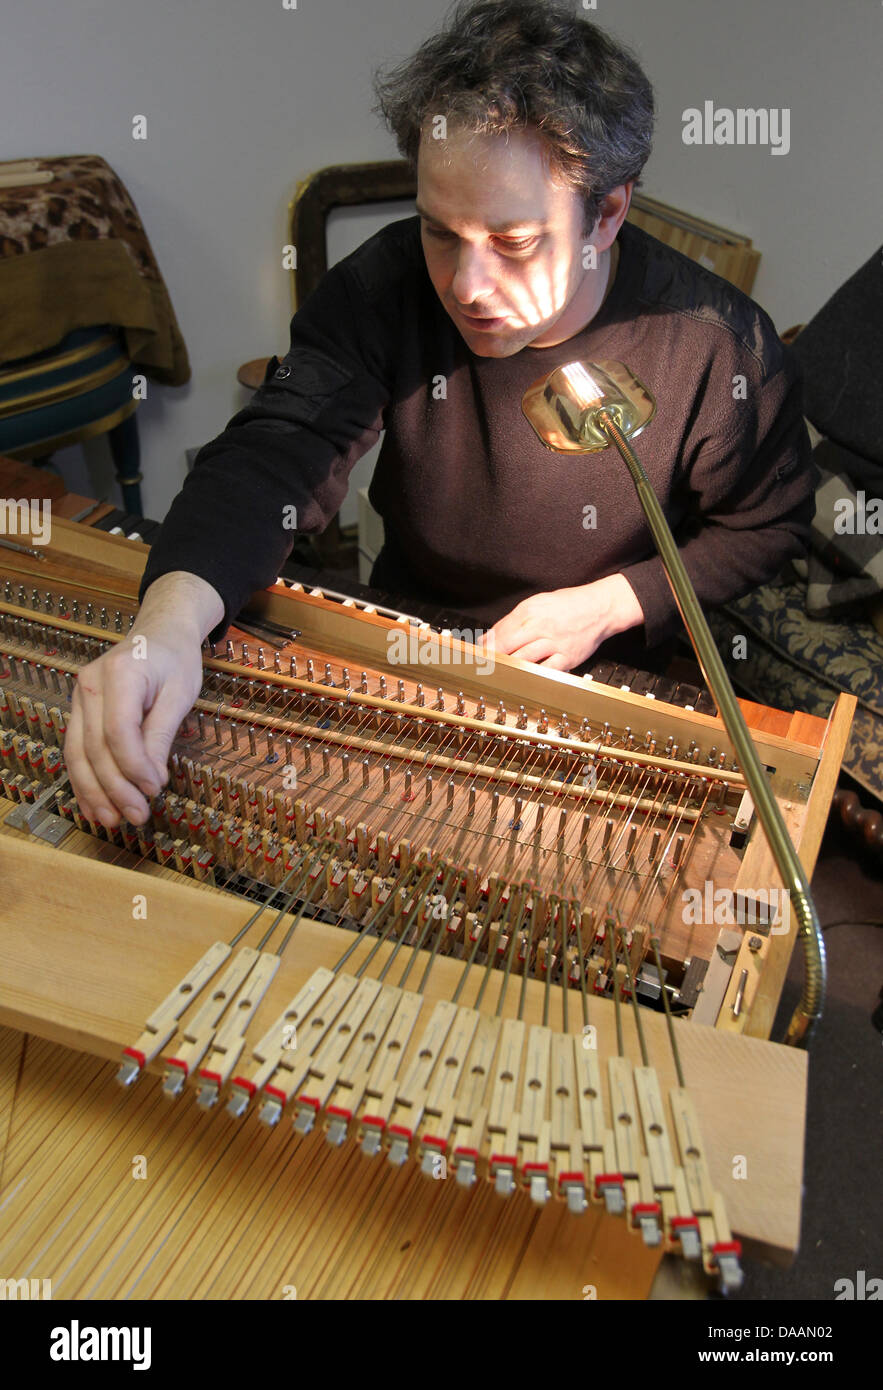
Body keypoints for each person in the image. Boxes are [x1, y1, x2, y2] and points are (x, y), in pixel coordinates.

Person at [65, 0, 813, 830]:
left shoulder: (715, 347)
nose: (465, 285)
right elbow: (274, 454)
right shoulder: (384, 286)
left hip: (609, 681)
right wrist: (165, 628)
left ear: (606, 214)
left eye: (515, 241)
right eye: (439, 231)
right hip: (415, 639)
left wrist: (611, 601)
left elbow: (766, 529)